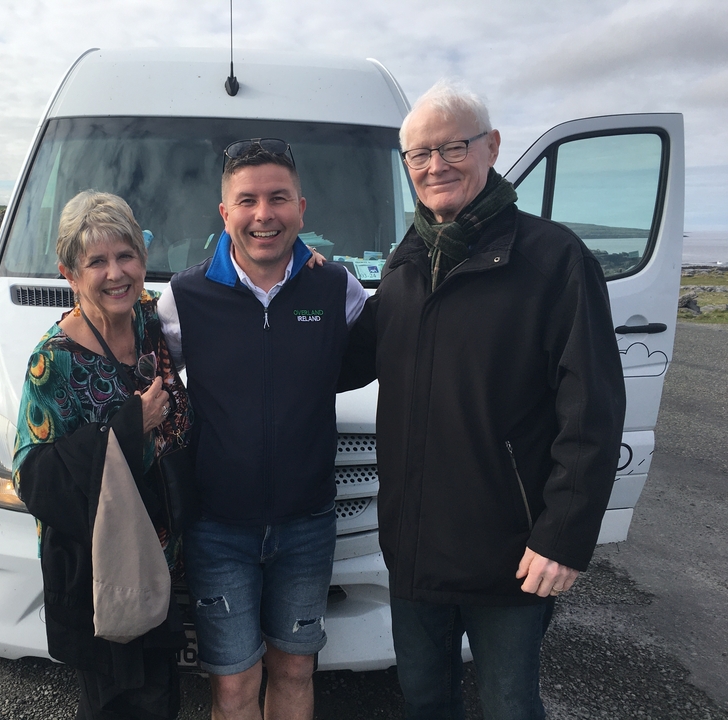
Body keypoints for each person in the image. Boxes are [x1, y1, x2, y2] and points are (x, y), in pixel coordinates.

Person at [340, 80, 627, 719]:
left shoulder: (554, 260)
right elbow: (347, 360)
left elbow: (594, 411)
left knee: (509, 706)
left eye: (452, 147)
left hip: (510, 553)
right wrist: (274, 302)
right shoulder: (407, 264)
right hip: (415, 546)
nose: (435, 166)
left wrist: (564, 536)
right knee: (424, 701)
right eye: (419, 155)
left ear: (491, 146)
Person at [157, 138, 368, 720]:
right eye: (246, 200)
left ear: (302, 207)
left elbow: (369, 357)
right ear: (224, 213)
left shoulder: (336, 289)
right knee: (233, 682)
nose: (263, 214)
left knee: (297, 666)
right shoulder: (184, 297)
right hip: (218, 529)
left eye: (278, 198)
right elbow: (146, 374)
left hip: (307, 524)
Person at [12, 190, 191, 720]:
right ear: (69, 272)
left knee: (162, 697)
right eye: (96, 261)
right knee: (119, 704)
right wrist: (132, 426)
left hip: (160, 558)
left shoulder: (149, 322)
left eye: (126, 255)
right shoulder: (53, 362)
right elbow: (35, 478)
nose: (116, 273)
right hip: (102, 569)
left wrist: (299, 261)